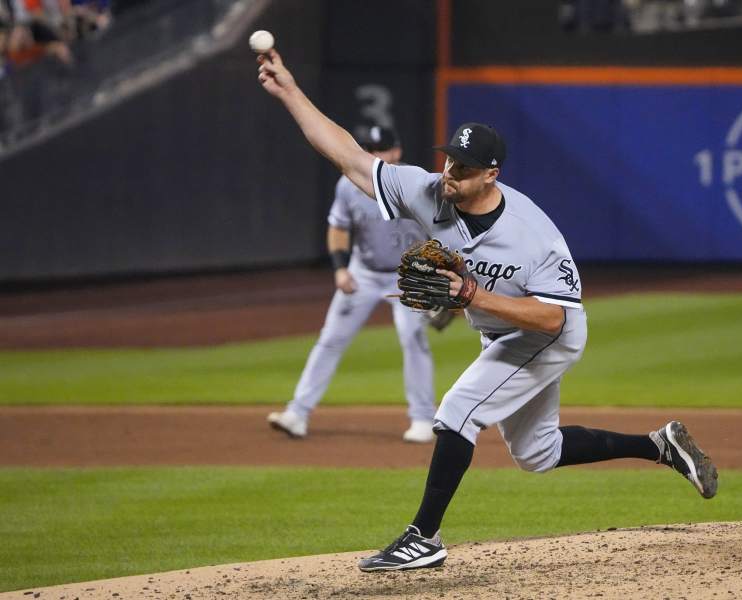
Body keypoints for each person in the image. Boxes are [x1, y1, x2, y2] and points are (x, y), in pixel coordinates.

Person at [255, 48, 718, 572]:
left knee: (457, 412)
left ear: (491, 174)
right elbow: (350, 156)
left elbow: (556, 319)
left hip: (547, 335)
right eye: (450, 158)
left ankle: (422, 538)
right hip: (501, 331)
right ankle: (659, 445)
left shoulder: (534, 237)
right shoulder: (431, 190)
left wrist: (471, 297)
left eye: (465, 167)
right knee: (537, 454)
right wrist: (290, 90)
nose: (450, 171)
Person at [267, 125, 439, 444]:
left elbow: (440, 232)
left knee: (413, 338)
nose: (375, 156)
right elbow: (338, 228)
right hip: (365, 272)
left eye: (382, 150)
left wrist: (433, 276)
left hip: (408, 276)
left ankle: (422, 419)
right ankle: (297, 413)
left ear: (397, 152)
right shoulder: (349, 184)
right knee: (330, 339)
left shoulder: (418, 184)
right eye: (370, 150)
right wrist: (340, 269)